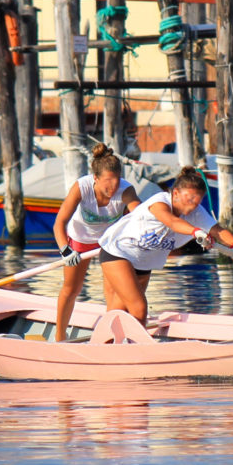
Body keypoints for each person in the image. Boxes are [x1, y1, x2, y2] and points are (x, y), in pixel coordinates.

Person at [98, 166, 233, 326]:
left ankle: (108, 345)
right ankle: (135, 348)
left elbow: (218, 231)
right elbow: (172, 221)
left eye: (197, 201)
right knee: (139, 309)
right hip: (117, 252)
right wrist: (195, 231)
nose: (193, 206)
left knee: (119, 309)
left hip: (143, 262)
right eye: (190, 199)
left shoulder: (196, 212)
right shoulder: (160, 202)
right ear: (175, 193)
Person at [53, 143, 141, 341]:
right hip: (79, 240)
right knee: (72, 288)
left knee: (112, 289)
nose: (113, 187)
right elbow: (59, 222)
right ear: (96, 178)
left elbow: (140, 215)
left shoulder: (126, 191)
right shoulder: (81, 187)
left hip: (109, 242)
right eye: (108, 182)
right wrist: (65, 250)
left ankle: (110, 338)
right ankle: (59, 336)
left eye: (117, 181)